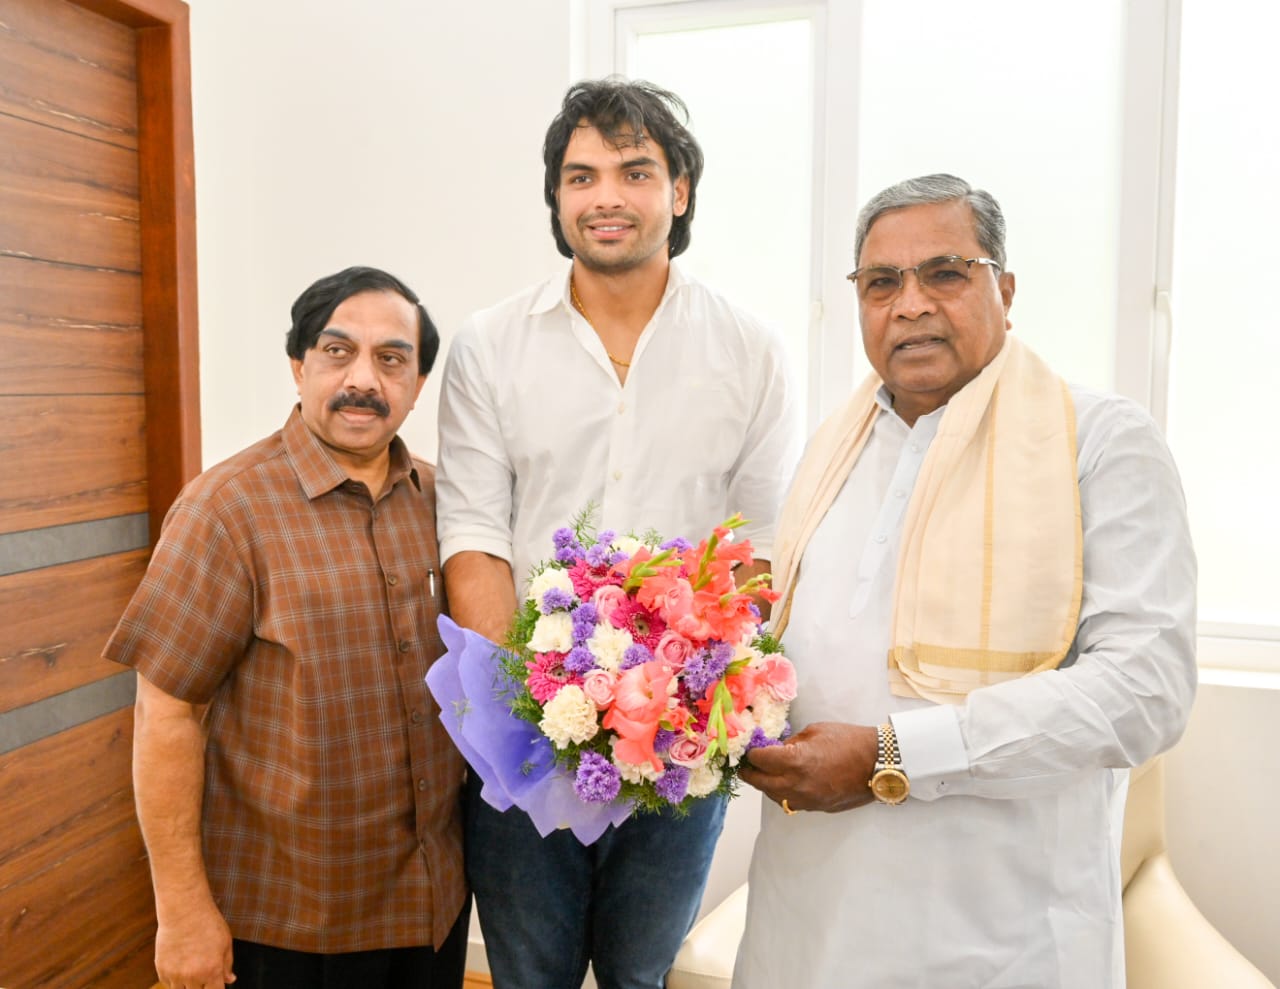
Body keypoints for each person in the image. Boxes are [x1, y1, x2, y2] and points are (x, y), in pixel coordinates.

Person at [735, 174, 1197, 988]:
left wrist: (891, 755)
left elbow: (1146, 689)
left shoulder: (1099, 441)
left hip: (999, 934)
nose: (910, 304)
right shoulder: (829, 451)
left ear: (1005, 291)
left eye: (945, 272)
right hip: (806, 924)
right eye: (881, 282)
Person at [435, 78, 799, 989]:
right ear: (557, 198)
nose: (606, 196)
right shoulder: (489, 344)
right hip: (525, 738)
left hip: (681, 747)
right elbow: (474, 533)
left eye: (634, 172)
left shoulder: (750, 350)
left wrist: (680, 715)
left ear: (679, 190)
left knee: (641, 975)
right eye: (581, 176)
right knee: (529, 976)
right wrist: (533, 708)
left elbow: (758, 550)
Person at [104, 267, 468, 989]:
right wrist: (181, 911)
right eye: (338, 351)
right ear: (300, 366)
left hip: (430, 904)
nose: (363, 378)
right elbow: (166, 713)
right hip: (288, 919)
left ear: (418, 383)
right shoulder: (225, 510)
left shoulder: (443, 501)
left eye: (391, 358)